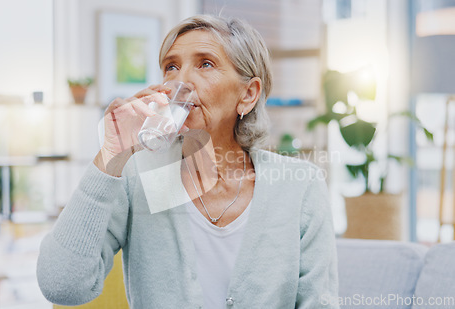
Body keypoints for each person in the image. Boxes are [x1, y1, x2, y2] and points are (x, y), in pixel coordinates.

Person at [37, 15, 339, 308]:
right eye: (171, 67)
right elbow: (62, 285)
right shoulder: (137, 177)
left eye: (205, 64)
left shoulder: (300, 187)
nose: (180, 81)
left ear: (248, 94)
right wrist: (110, 155)